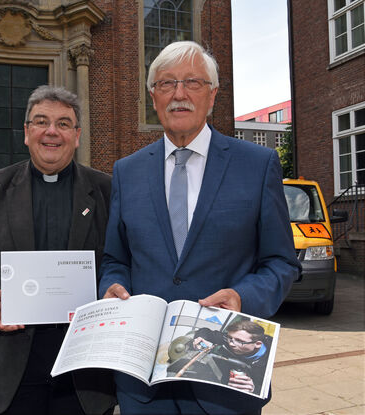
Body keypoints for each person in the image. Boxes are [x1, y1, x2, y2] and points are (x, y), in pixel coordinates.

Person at [98, 40, 301, 414]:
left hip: (225, 384)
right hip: (143, 387)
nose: (179, 94)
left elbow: (281, 263)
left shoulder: (257, 165)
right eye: (166, 83)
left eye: (192, 82)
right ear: (153, 97)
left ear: (213, 96)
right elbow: (115, 258)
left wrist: (242, 298)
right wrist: (113, 285)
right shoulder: (127, 171)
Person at [0, 85, 115, 415]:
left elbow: (120, 260)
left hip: (85, 374)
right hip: (11, 371)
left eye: (64, 123)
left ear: (77, 135)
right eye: (41, 122)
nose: (52, 132)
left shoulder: (106, 190)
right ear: (27, 132)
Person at [190, 320, 272, 395]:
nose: (231, 344)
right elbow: (205, 332)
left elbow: (266, 391)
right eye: (229, 338)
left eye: (239, 341)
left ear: (257, 344)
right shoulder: (230, 339)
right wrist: (200, 339)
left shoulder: (269, 360)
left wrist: (254, 390)